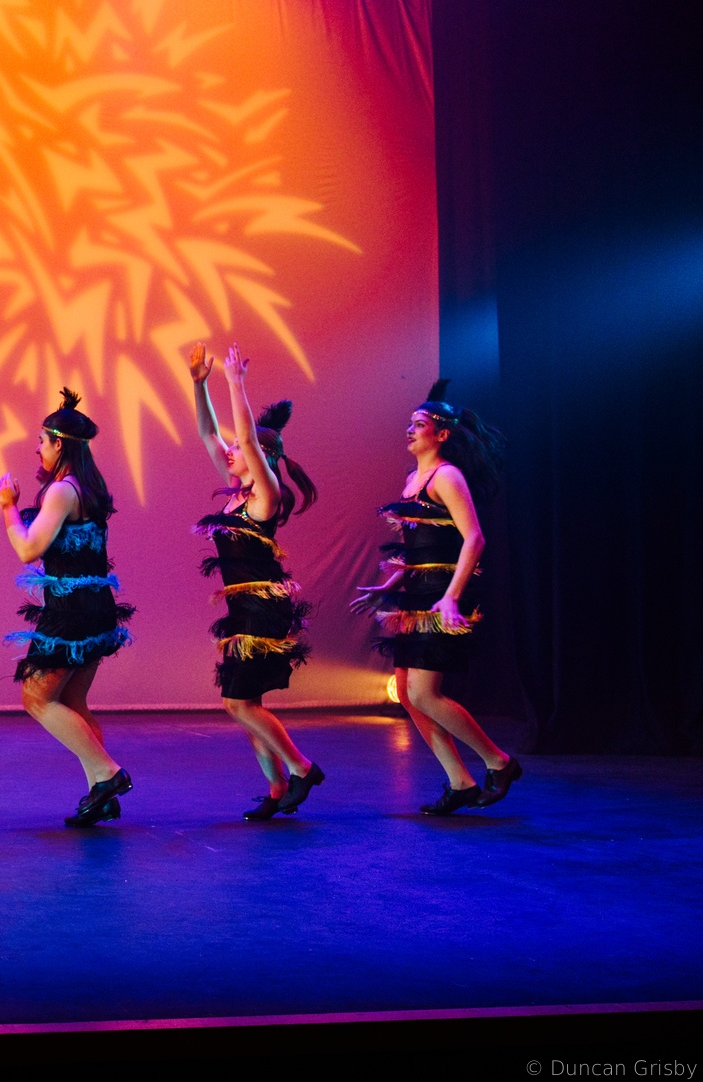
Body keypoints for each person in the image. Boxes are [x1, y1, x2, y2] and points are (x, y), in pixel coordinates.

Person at [353, 379, 522, 815]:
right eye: (409, 423)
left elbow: (474, 539)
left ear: (442, 434)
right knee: (408, 693)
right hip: (417, 596)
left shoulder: (447, 476)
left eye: (419, 424)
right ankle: (460, 782)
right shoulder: (413, 480)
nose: (409, 430)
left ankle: (498, 762)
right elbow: (419, 549)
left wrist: (450, 598)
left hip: (441, 595)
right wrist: (388, 587)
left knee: (425, 694)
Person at [189, 343, 323, 820]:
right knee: (247, 702)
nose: (229, 451)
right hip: (241, 610)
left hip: (264, 609)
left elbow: (243, 438)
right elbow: (209, 433)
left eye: (240, 450)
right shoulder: (235, 493)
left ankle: (301, 768)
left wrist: (235, 383)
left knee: (237, 703)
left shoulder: (265, 496)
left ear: (261, 458)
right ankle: (276, 787)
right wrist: (199, 384)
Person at [0, 389, 136, 827]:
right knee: (73, 700)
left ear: (59, 445)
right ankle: (101, 794)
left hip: (71, 611)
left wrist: (8, 507)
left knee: (36, 697)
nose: (37, 448)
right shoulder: (90, 487)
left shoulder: (61, 490)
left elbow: (28, 549)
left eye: (42, 440)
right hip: (95, 607)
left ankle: (108, 775)